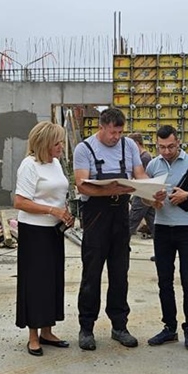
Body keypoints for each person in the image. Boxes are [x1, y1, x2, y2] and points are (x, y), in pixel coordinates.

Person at [73, 107, 148, 351]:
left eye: (119, 131)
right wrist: (112, 190)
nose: (116, 137)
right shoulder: (84, 149)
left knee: (120, 273)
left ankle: (119, 326)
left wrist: (151, 189)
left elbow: (140, 175)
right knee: (91, 274)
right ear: (101, 127)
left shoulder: (129, 147)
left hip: (120, 215)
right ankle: (86, 327)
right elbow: (83, 185)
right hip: (95, 216)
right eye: (112, 132)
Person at [144, 125, 188, 350]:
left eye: (170, 146)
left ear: (178, 141)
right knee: (165, 280)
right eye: (161, 147)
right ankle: (169, 327)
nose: (166, 151)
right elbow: (145, 201)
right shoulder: (153, 165)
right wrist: (153, 200)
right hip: (161, 228)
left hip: (187, 229)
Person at [13, 121, 75, 357]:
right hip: (34, 232)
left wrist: (65, 211)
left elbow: (58, 193)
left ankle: (47, 331)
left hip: (54, 231)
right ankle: (33, 336)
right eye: (57, 142)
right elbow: (20, 202)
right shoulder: (29, 165)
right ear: (44, 144)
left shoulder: (56, 163)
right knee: (35, 283)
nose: (61, 146)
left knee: (52, 281)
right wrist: (53, 211)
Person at [128, 132, 156, 238]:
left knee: (132, 220)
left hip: (143, 192)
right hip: (147, 192)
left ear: (136, 143)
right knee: (152, 218)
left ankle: (121, 243)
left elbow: (141, 176)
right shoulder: (145, 156)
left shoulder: (144, 158)